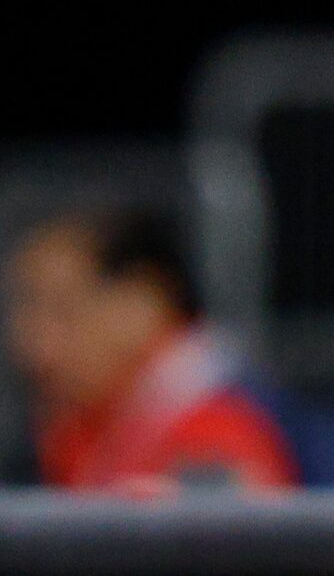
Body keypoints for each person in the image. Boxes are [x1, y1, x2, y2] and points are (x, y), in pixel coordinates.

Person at [4, 210, 297, 496]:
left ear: (143, 302)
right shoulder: (77, 428)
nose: (33, 346)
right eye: (26, 311)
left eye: (65, 312)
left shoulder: (219, 432)